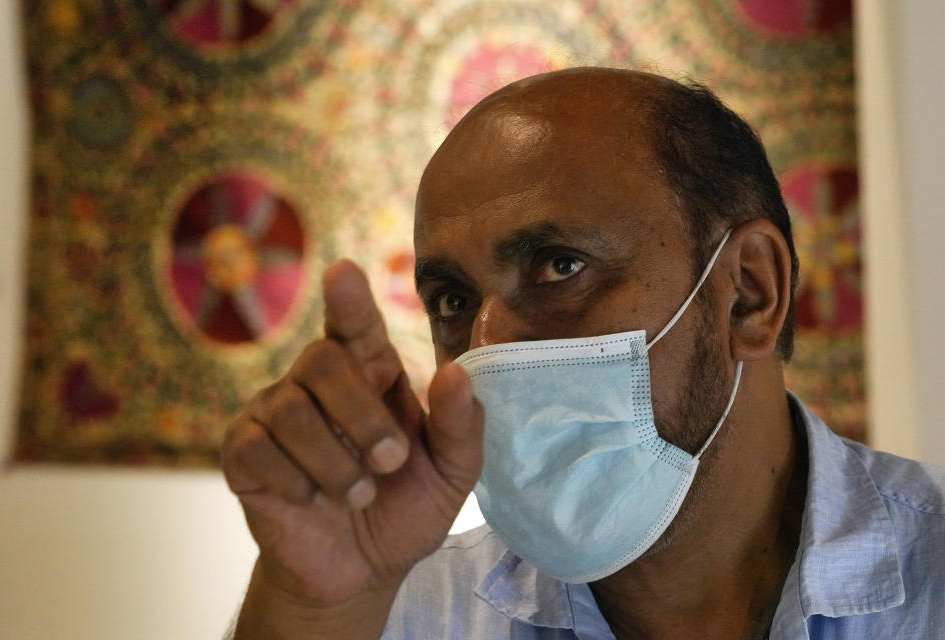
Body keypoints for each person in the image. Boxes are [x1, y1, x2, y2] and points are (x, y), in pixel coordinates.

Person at [220, 68, 945, 639]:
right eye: (452, 302)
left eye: (560, 267)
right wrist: (309, 612)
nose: (487, 346)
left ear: (748, 293)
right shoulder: (400, 613)